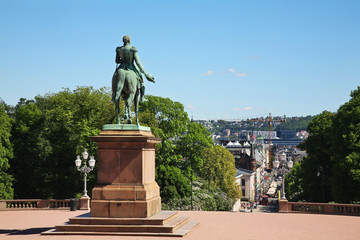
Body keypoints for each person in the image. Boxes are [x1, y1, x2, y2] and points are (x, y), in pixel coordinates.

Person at [114, 35, 154, 102]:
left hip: (121, 67)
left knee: (115, 78)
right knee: (141, 80)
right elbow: (138, 62)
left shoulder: (119, 49)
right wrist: (145, 73)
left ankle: (113, 97)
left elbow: (117, 61)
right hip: (131, 67)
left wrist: (123, 60)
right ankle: (142, 97)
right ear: (129, 40)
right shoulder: (132, 49)